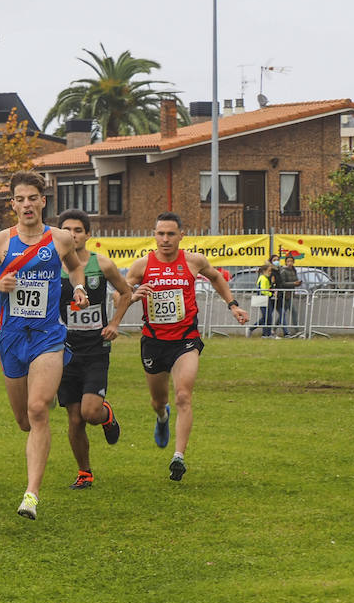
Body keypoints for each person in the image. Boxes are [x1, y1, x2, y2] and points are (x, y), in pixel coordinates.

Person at [0, 172, 90, 520]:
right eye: (19, 199)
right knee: (23, 419)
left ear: (43, 201)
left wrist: (78, 289)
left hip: (48, 336)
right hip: (11, 337)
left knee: (39, 410)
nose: (26, 204)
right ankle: (32, 469)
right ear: (12, 204)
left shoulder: (61, 239)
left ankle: (31, 495)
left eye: (32, 198)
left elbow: (76, 269)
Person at [120, 212, 249, 482]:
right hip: (154, 341)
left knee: (183, 396)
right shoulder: (142, 265)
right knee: (159, 401)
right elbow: (119, 294)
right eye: (160, 234)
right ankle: (161, 417)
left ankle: (178, 457)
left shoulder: (193, 261)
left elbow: (215, 277)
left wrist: (233, 305)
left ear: (181, 235)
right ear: (154, 235)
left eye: (170, 234)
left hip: (185, 340)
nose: (165, 239)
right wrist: (132, 296)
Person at [55, 209, 134, 490]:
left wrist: (114, 323)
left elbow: (127, 292)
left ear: (88, 234)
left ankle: (106, 415)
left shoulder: (102, 265)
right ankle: (84, 471)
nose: (73, 235)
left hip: (95, 349)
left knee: (90, 412)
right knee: (74, 418)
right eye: (67, 230)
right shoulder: (53, 266)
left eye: (78, 230)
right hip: (62, 351)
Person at [278, 253, 302, 337]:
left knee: (283, 313)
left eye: (291, 261)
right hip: (285, 295)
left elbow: (294, 280)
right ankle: (297, 330)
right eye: (288, 261)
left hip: (291, 294)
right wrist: (293, 283)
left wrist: (297, 283)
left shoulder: (293, 270)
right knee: (292, 312)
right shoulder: (283, 271)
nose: (290, 263)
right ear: (285, 262)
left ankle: (273, 329)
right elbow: (282, 283)